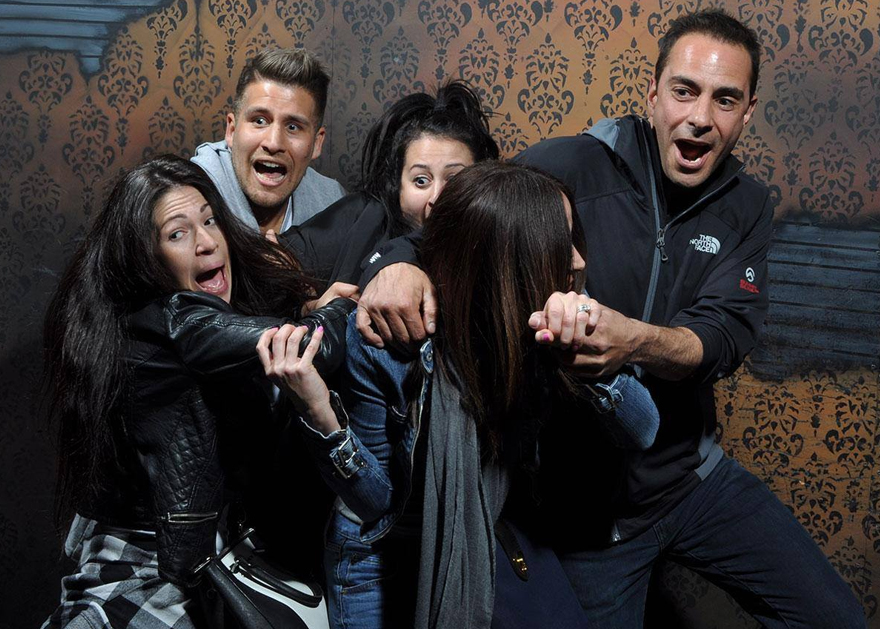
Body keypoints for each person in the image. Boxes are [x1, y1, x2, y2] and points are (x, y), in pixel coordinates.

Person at [353, 9, 866, 628]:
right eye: (685, 91)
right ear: (653, 94)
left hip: (690, 480)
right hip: (583, 519)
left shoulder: (747, 206)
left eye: (725, 100)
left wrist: (636, 343)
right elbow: (473, 221)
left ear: (748, 112)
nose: (701, 117)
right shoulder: (570, 162)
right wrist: (397, 264)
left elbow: (725, 335)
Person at [258, 162, 660, 629]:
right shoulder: (385, 341)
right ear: (509, 259)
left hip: (477, 534)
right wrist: (318, 411)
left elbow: (643, 430)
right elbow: (373, 504)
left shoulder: (543, 322)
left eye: (573, 238)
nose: (577, 261)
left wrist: (587, 357)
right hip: (378, 556)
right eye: (558, 241)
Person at [41, 156, 353, 629]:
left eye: (209, 220)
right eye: (177, 233)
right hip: (147, 565)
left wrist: (306, 304)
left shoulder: (141, 323)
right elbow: (311, 348)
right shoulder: (177, 322)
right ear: (146, 258)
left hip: (171, 548)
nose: (207, 242)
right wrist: (339, 308)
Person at [281, 79, 499, 289]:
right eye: (421, 181)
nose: (437, 198)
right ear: (398, 187)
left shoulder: (501, 233)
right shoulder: (363, 217)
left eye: (455, 180)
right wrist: (309, 306)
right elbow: (273, 266)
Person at [192, 47, 345, 236]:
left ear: (316, 144)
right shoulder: (190, 193)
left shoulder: (333, 206)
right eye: (259, 121)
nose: (273, 143)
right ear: (231, 130)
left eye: (293, 127)